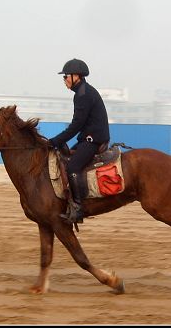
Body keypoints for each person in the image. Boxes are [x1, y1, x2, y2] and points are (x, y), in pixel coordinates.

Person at [49, 58, 110, 224]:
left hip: (94, 140)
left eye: (65, 76)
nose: (64, 80)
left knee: (73, 167)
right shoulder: (83, 91)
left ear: (76, 76)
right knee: (67, 156)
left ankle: (78, 208)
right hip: (88, 138)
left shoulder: (83, 95)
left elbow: (77, 124)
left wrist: (55, 140)